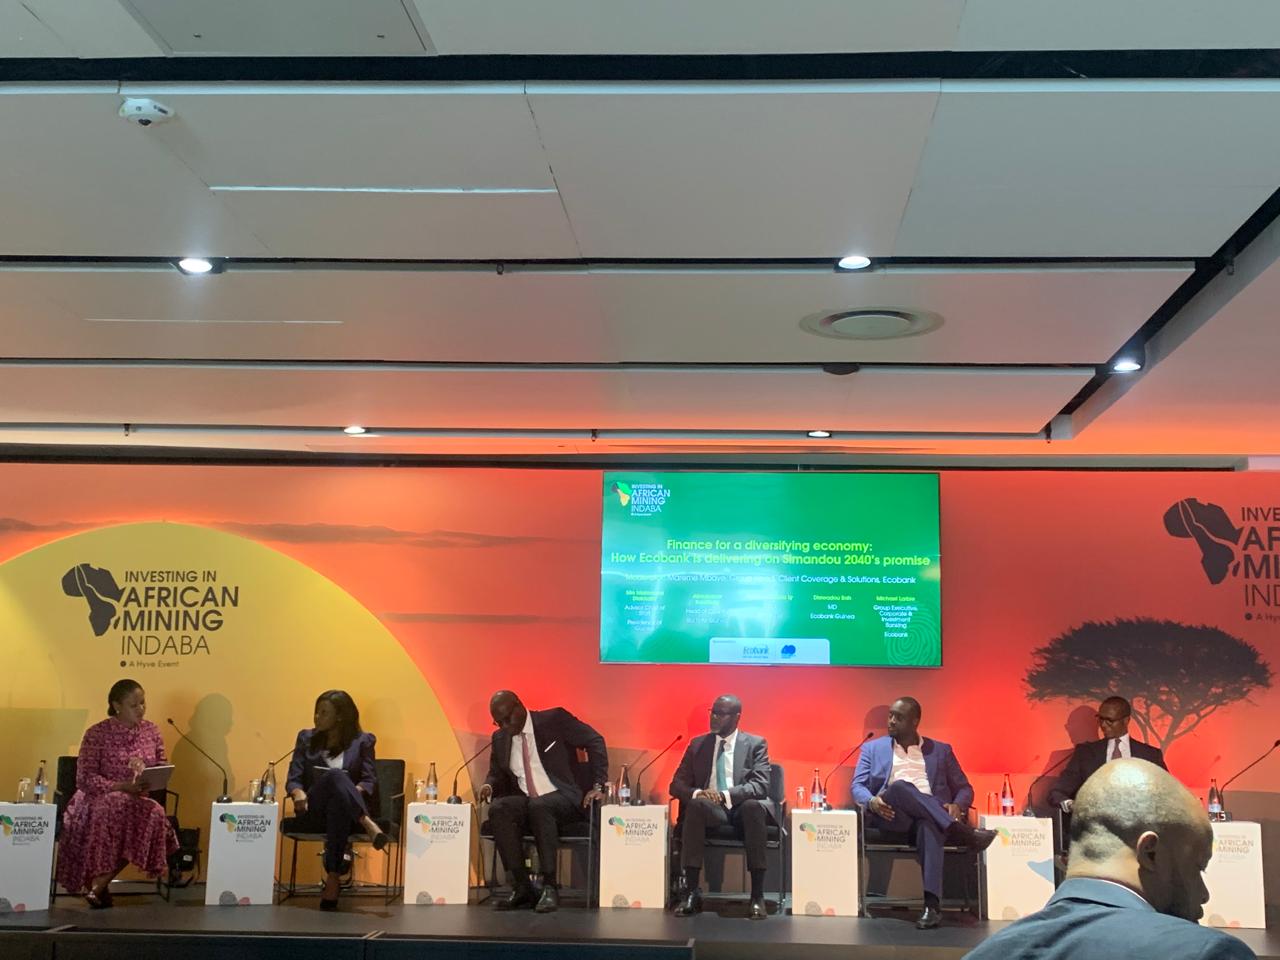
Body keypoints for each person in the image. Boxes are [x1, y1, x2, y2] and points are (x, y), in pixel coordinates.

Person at [962, 759, 1255, 959]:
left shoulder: (987, 953)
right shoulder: (1207, 952)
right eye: (1197, 867)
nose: (1203, 894)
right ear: (1150, 852)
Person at [852, 696, 996, 929]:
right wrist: (871, 802)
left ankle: (932, 906)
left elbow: (964, 788)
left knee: (929, 826)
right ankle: (960, 831)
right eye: (890, 715)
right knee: (900, 787)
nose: (891, 721)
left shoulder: (941, 750)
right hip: (891, 814)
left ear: (915, 721)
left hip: (929, 816)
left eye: (899, 717)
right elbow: (857, 786)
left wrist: (958, 805)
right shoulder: (872, 748)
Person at [477, 690, 607, 913]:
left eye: (507, 719)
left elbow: (595, 741)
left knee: (540, 806)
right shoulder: (500, 738)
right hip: (528, 800)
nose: (505, 726)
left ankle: (549, 886)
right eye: (499, 722)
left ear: (519, 706)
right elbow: (496, 773)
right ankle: (522, 886)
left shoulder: (554, 720)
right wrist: (489, 785)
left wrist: (598, 786)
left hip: (563, 798)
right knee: (499, 809)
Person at [57, 679, 179, 908]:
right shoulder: (97, 733)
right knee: (112, 807)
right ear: (116, 706)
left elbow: (160, 765)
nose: (141, 709)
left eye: (143, 703)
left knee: (155, 812)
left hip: (137, 799)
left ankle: (98, 885)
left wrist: (149, 772)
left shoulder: (152, 731)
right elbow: (84, 779)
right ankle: (98, 886)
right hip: (97, 798)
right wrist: (121, 786)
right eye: (134, 705)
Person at [669, 694, 777, 920]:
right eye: (713, 712)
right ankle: (691, 892)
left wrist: (725, 795)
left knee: (753, 808)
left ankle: (757, 895)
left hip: (739, 807)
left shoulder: (756, 744)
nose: (714, 718)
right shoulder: (698, 744)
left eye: (721, 714)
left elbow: (760, 785)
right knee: (696, 805)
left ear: (737, 717)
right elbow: (676, 785)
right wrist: (699, 793)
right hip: (710, 810)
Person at [285, 690, 391, 911]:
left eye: (324, 713)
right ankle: (367, 822)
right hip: (313, 808)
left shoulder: (362, 741)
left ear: (340, 716)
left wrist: (348, 793)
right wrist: (298, 793)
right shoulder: (306, 738)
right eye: (316, 712)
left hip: (343, 812)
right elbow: (294, 779)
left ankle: (333, 878)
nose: (317, 717)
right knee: (335, 776)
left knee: (338, 801)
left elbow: (368, 781)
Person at [1049, 696, 1167, 811]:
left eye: (1110, 720)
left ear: (1126, 720)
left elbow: (1168, 793)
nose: (1103, 725)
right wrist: (1071, 805)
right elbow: (1058, 792)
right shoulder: (1085, 753)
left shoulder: (1150, 755)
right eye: (1100, 719)